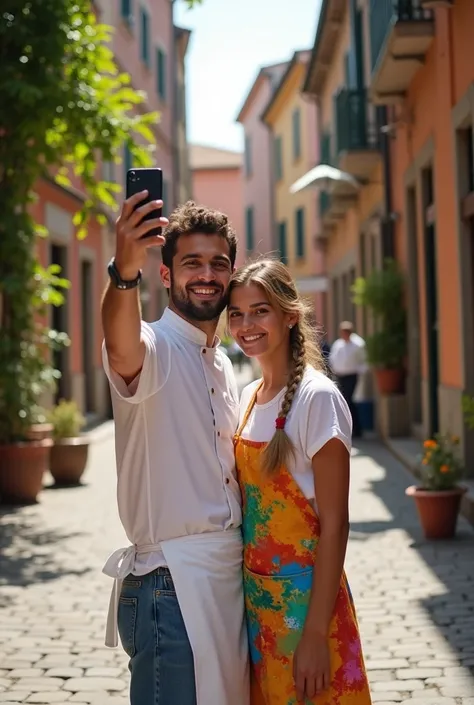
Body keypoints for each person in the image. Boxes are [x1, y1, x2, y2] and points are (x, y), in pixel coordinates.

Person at [101, 194, 249, 705]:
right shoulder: (153, 346)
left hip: (227, 586)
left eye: (218, 263)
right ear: (165, 276)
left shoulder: (224, 365)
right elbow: (120, 345)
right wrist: (124, 270)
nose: (206, 275)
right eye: (191, 263)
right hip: (170, 588)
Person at [227, 259, 371, 705]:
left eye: (260, 311)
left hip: (310, 608)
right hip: (259, 608)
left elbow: (336, 525)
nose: (246, 324)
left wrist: (313, 635)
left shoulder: (318, 399)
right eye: (236, 313)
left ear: (290, 316)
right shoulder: (249, 397)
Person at [329, 321, 367, 438]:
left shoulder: (358, 344)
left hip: (352, 375)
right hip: (340, 376)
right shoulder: (338, 344)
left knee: (348, 401)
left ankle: (356, 429)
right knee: (343, 401)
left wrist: (360, 371)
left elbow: (364, 360)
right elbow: (333, 359)